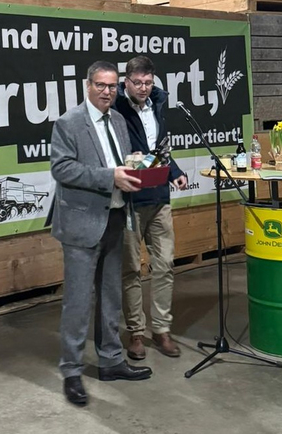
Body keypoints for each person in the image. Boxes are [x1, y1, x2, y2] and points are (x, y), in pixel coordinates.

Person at [50, 60, 152, 407]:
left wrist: (134, 166)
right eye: (100, 85)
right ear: (88, 85)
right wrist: (111, 176)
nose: (107, 92)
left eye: (112, 86)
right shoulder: (69, 123)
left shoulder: (119, 121)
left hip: (115, 218)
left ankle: (110, 361)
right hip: (81, 224)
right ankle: (71, 371)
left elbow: (118, 162)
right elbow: (62, 168)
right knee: (78, 302)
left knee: (111, 297)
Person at [113, 55, 188, 361]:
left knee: (165, 264)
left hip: (159, 198)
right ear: (126, 82)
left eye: (148, 82)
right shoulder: (115, 108)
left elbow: (160, 149)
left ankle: (162, 329)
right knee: (131, 269)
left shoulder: (158, 103)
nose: (143, 88)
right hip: (130, 200)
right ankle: (135, 332)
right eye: (137, 83)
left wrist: (175, 172)